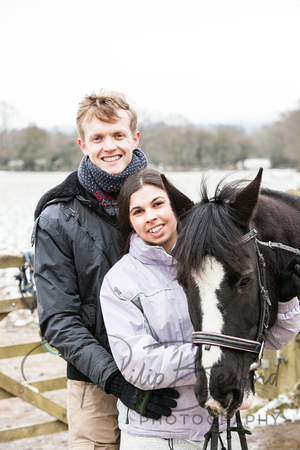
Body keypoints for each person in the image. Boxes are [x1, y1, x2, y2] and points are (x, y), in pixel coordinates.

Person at [100, 168, 300, 450]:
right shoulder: (119, 281)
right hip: (157, 435)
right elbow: (138, 365)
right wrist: (222, 357)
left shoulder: (214, 265)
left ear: (176, 206)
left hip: (224, 429)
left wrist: (287, 300)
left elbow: (273, 340)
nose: (151, 217)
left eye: (158, 204)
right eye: (138, 211)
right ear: (129, 221)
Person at [32, 92, 178, 449]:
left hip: (167, 372)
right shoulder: (57, 216)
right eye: (97, 138)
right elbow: (58, 320)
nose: (108, 146)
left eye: (117, 135)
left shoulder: (165, 200)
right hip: (96, 385)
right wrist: (116, 381)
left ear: (134, 138)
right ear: (83, 144)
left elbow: (203, 275)